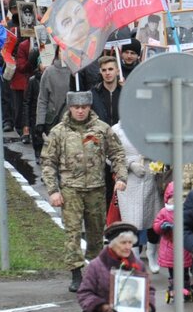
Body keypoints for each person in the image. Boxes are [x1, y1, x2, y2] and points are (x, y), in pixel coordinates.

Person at [42, 89, 129, 292]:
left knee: (96, 234)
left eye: (84, 107)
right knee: (72, 232)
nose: (80, 111)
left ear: (89, 107)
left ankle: (96, 273)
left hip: (96, 189)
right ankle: (75, 273)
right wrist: (53, 190)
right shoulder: (59, 132)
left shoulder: (102, 129)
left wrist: (121, 176)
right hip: (70, 189)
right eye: (76, 107)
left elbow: (117, 154)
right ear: (70, 108)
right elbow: (48, 162)